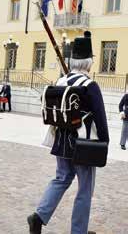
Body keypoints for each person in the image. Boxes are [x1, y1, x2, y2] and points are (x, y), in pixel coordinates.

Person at [27, 32, 109, 234]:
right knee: (85, 189)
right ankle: (78, 231)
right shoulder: (90, 85)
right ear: (88, 63)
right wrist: (104, 142)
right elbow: (100, 116)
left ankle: (39, 216)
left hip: (61, 141)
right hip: (84, 144)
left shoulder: (61, 81)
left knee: (62, 178)